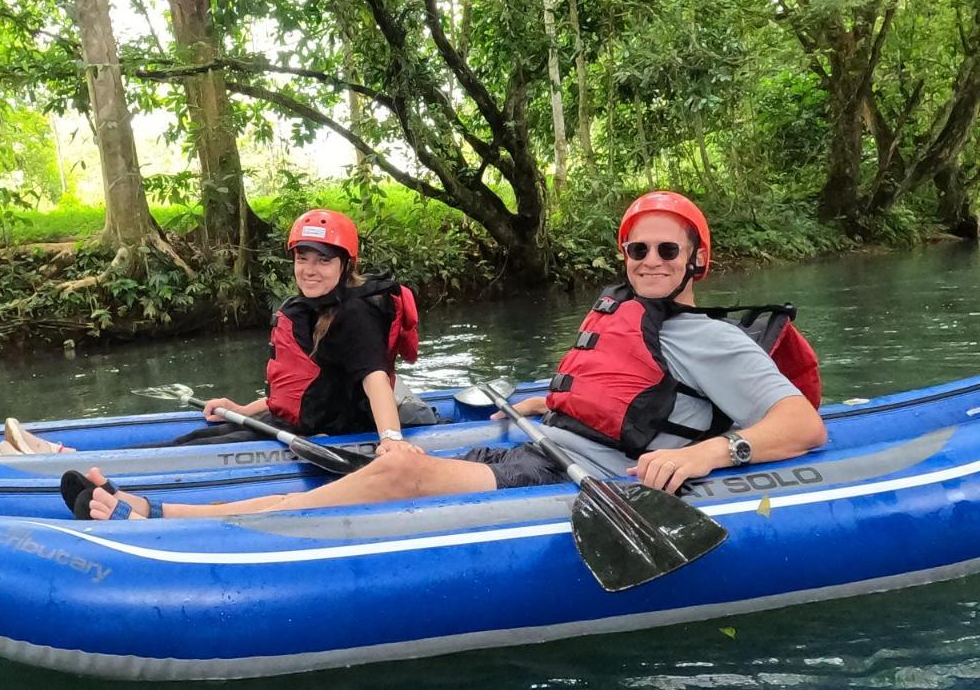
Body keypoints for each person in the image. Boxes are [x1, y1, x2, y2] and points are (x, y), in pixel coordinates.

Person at [73, 191, 827, 520]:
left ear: (698, 259)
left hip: (590, 476)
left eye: (669, 249)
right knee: (381, 471)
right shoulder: (632, 312)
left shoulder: (712, 338)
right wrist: (548, 401)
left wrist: (708, 455)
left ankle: (168, 513)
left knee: (394, 466)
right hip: (550, 445)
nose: (651, 259)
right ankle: (173, 509)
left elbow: (801, 424)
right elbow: (625, 394)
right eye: (639, 247)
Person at [1, 209, 429, 460]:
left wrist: (390, 441)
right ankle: (59, 455)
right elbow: (306, 388)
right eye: (303, 258)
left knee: (195, 449)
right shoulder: (311, 308)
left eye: (322, 260)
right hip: (299, 418)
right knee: (201, 436)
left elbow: (374, 380)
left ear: (345, 264)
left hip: (334, 433)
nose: (309, 270)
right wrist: (243, 406)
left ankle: (61, 460)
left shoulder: (355, 313)